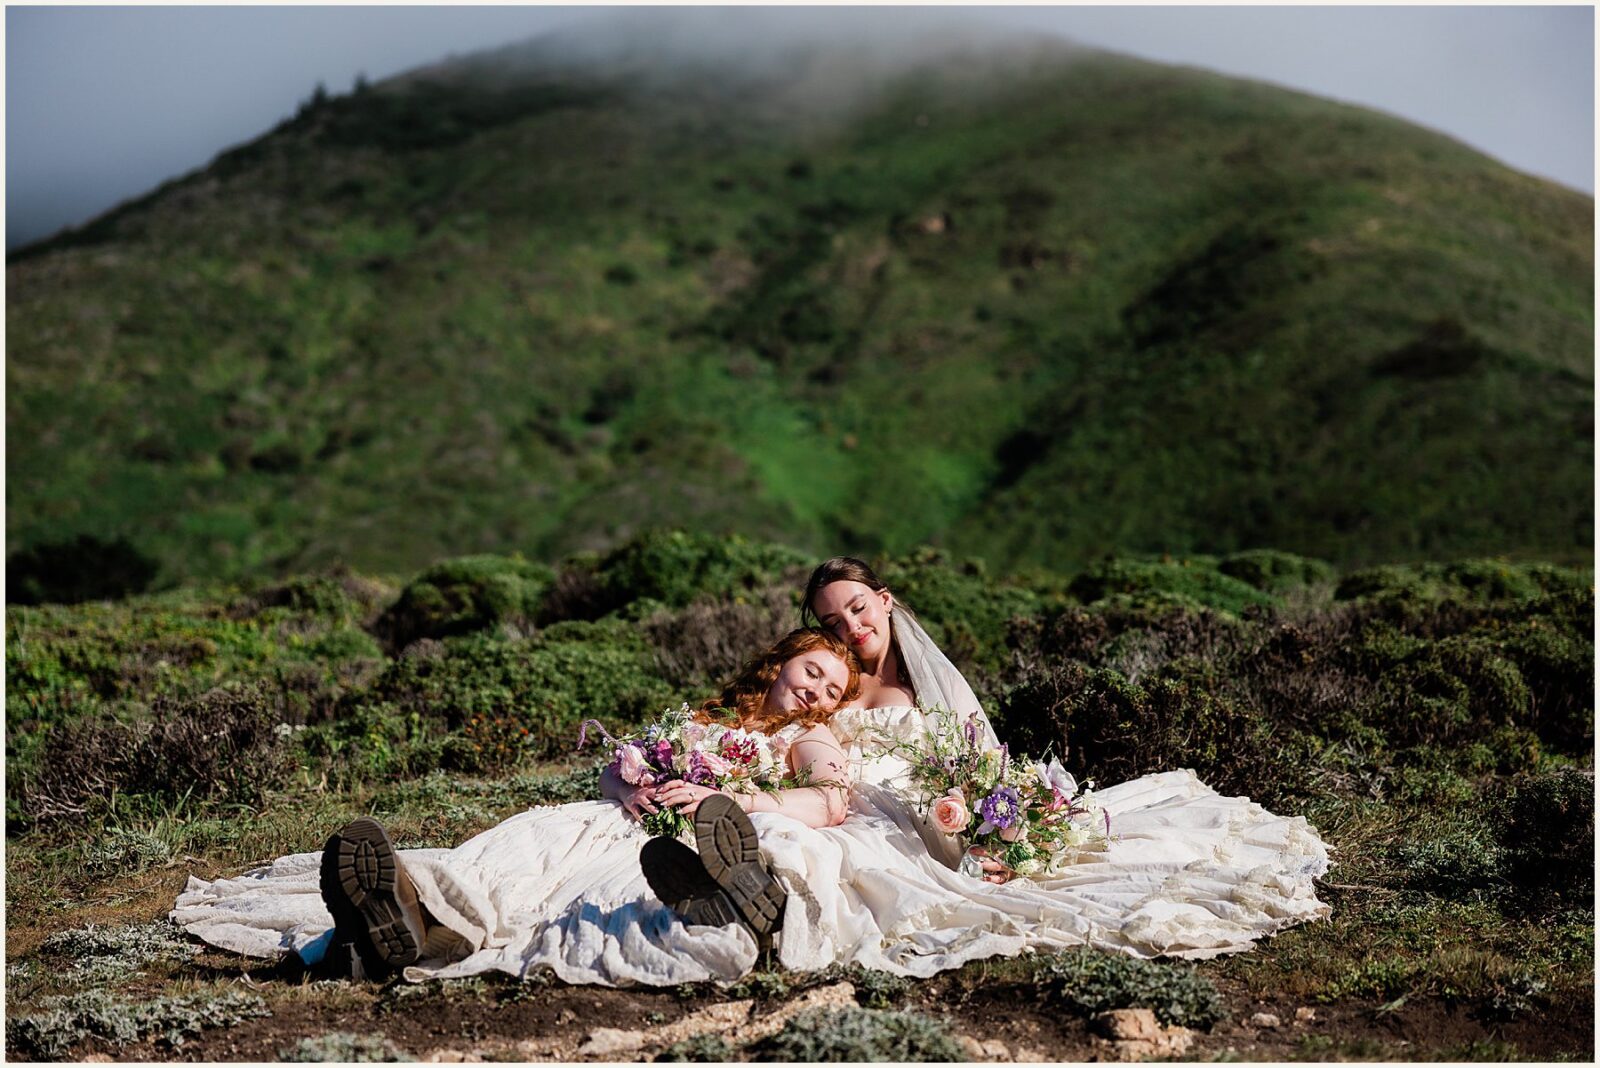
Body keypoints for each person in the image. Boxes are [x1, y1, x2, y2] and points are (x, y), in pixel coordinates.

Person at [172, 628, 860, 986]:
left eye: (832, 688)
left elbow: (830, 802)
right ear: (779, 664)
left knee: (589, 898)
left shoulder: (811, 738)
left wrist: (724, 794)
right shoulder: (704, 719)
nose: (816, 692)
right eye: (811, 673)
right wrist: (627, 786)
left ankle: (416, 930)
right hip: (614, 818)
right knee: (517, 855)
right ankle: (412, 913)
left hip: (670, 839)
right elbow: (610, 769)